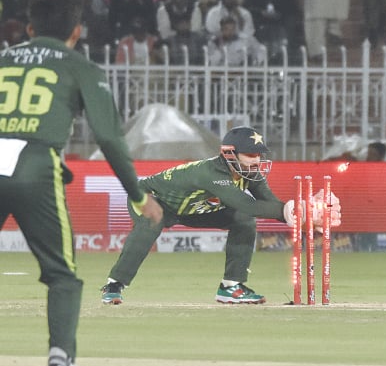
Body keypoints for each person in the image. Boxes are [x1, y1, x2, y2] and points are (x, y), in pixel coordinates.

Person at [0, 0, 163, 366]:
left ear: (29, 28)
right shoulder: (81, 66)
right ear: (77, 31)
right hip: (33, 163)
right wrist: (139, 196)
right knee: (62, 275)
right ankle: (60, 365)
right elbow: (109, 138)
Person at [100, 126, 341, 305]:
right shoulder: (211, 174)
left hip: (193, 209)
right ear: (229, 154)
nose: (257, 161)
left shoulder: (248, 171)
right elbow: (247, 204)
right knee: (151, 224)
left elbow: (269, 204)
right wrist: (295, 209)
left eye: (259, 155)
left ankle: (231, 287)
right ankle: (114, 285)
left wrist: (306, 219)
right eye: (250, 155)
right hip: (153, 199)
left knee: (242, 220)